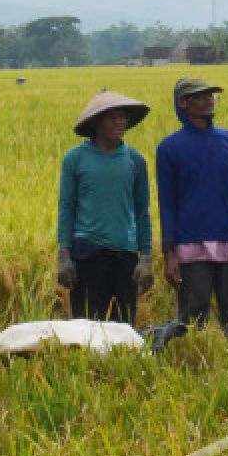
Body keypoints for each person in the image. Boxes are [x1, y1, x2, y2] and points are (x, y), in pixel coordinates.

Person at [157, 78, 228, 334]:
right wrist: (169, 253)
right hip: (190, 245)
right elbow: (167, 203)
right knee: (193, 316)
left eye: (211, 96)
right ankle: (193, 364)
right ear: (184, 103)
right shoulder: (169, 148)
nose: (209, 101)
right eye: (200, 97)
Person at [57, 90, 154, 324]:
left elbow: (142, 211)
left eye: (123, 117)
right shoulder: (75, 159)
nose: (119, 122)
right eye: (112, 117)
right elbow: (66, 208)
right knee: (85, 326)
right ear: (96, 122)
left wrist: (147, 257)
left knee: (123, 326)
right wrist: (64, 256)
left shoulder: (135, 161)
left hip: (125, 254)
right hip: (87, 253)